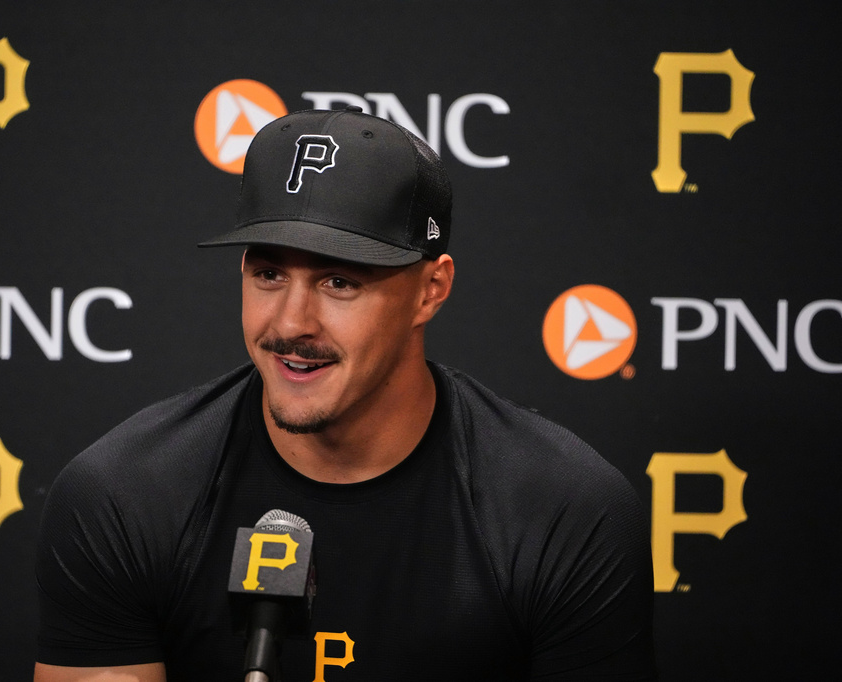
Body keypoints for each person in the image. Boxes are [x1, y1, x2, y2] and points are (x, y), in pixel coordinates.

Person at [34, 108, 656, 682]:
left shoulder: (565, 512)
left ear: (430, 290)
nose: (291, 324)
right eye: (269, 273)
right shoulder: (124, 495)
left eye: (339, 281)